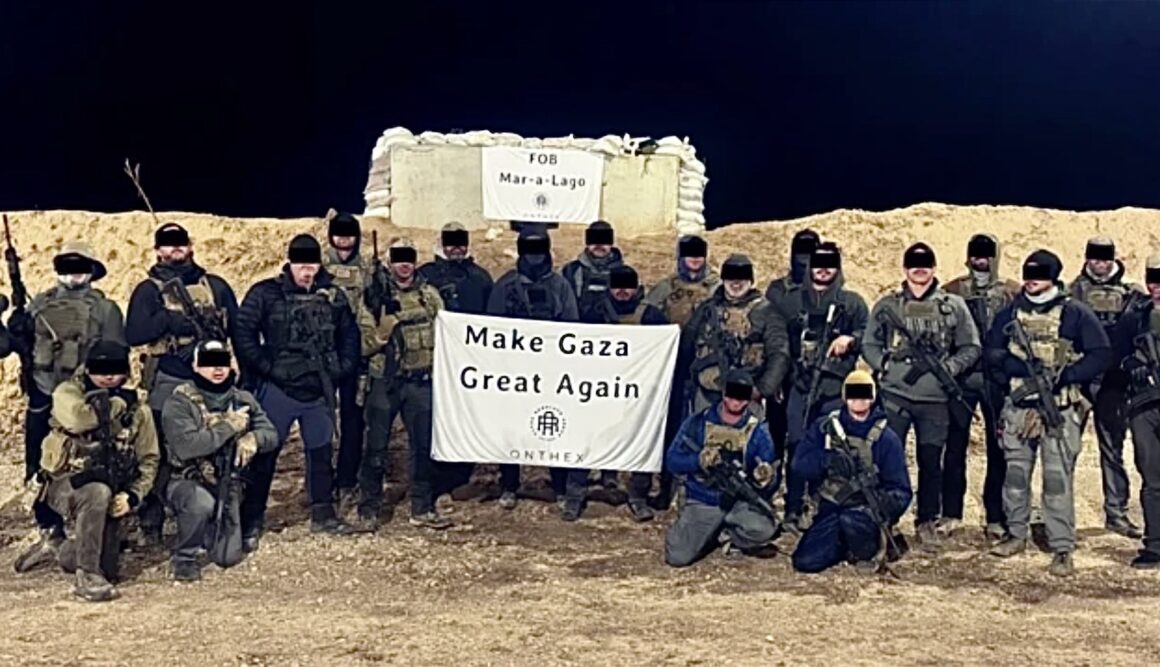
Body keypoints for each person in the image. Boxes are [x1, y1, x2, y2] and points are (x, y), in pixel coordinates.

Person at [985, 249, 1111, 576]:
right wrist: (1013, 368)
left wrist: (1067, 376)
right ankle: (1016, 534)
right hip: (1019, 409)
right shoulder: (1010, 313)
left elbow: (1100, 354)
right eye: (1028, 274)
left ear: (1053, 277)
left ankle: (1062, 546)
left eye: (1039, 275)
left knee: (1057, 480)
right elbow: (992, 352)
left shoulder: (1074, 313)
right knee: (1015, 475)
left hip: (1059, 409)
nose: (1031, 281)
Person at [233, 234, 362, 548]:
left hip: (317, 389)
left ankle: (324, 514)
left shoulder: (333, 296)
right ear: (289, 263)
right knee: (265, 455)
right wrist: (267, 368)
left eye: (312, 265)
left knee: (321, 452)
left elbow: (350, 335)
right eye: (301, 265)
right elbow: (243, 332)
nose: (307, 272)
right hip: (279, 389)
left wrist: (341, 368)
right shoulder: (266, 293)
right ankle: (252, 520)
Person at [12, 241, 126, 574]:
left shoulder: (105, 309)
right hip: (43, 395)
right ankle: (50, 531)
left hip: (84, 399)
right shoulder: (39, 303)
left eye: (80, 266)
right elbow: (24, 348)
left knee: (94, 463)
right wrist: (18, 329)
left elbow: (115, 355)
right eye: (67, 265)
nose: (74, 273)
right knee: (41, 466)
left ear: (91, 270)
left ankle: (97, 535)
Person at [125, 221, 238, 544]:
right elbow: (134, 334)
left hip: (212, 382)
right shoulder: (149, 290)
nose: (175, 248)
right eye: (168, 243)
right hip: (168, 379)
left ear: (190, 246)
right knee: (159, 450)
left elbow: (237, 329)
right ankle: (152, 521)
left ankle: (211, 515)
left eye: (181, 242)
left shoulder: (214, 285)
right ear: (157, 250)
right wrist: (168, 320)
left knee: (215, 444)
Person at [863, 242, 980, 553]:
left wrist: (950, 368)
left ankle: (927, 519)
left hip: (935, 400)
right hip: (895, 396)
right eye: (914, 265)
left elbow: (971, 346)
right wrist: (884, 365)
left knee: (931, 461)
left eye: (925, 264)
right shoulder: (888, 306)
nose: (919, 270)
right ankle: (887, 518)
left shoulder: (953, 306)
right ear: (905, 269)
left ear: (933, 268)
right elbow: (870, 343)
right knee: (889, 459)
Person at [36, 341, 158, 601]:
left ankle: (60, 549)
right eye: (101, 370)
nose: (109, 376)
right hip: (65, 484)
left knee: (109, 568)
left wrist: (132, 496)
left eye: (115, 370)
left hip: (111, 487)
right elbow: (80, 420)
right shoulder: (68, 392)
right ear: (88, 368)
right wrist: (117, 403)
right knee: (97, 493)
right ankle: (87, 576)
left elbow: (149, 459)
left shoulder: (139, 409)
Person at [769, 242, 868, 534]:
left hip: (833, 389)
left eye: (830, 263)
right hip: (799, 387)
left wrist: (850, 339)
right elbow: (777, 342)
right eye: (818, 263)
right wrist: (777, 378)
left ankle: (822, 506)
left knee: (831, 449)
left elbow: (871, 333)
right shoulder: (791, 302)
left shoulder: (852, 302)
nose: (823, 269)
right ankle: (792, 508)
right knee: (797, 445)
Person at [355, 238, 453, 531]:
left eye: (409, 257)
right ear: (389, 263)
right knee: (375, 448)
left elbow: (447, 335)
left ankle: (422, 508)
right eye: (398, 258)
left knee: (423, 447)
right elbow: (362, 345)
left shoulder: (429, 296)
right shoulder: (373, 298)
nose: (404, 264)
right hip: (385, 382)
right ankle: (369, 510)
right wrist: (381, 335)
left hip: (420, 382)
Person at [161, 340, 279, 581]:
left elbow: (272, 435)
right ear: (195, 366)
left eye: (222, 363)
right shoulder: (179, 402)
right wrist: (228, 427)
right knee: (201, 504)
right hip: (185, 479)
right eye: (208, 363)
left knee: (228, 556)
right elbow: (188, 447)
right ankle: (185, 557)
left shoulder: (242, 398)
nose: (217, 369)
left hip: (226, 480)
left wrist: (254, 438)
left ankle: (208, 530)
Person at [486, 224, 580, 515]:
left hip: (552, 371)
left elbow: (571, 326)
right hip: (514, 372)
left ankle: (560, 486)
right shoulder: (506, 285)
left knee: (555, 427)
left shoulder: (560, 285)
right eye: (529, 248)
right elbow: (492, 328)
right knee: (511, 428)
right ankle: (509, 485)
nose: (535, 256)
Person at [791, 370, 912, 574]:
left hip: (864, 514)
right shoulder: (824, 427)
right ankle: (843, 546)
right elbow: (799, 465)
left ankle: (870, 547)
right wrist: (826, 460)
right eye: (853, 393)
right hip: (831, 507)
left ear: (872, 397)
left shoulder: (886, 438)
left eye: (864, 394)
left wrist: (881, 503)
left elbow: (902, 491)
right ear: (844, 396)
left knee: (853, 521)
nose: (859, 400)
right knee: (805, 561)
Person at [942, 233, 1020, 539]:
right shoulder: (952, 290)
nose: (980, 260)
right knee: (954, 447)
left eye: (986, 254)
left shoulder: (1011, 291)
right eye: (975, 254)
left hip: (997, 380)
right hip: (962, 380)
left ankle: (995, 516)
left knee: (998, 448)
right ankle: (951, 513)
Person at [1068, 236, 1145, 538]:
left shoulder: (1132, 295)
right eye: (1095, 258)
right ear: (1087, 259)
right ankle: (1062, 517)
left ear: (1113, 260)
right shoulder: (1072, 292)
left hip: (1113, 381)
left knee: (1112, 449)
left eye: (1104, 259)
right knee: (1066, 448)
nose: (1099, 264)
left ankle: (1116, 513)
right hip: (1080, 379)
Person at [580, 265, 669, 521]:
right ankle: (577, 493)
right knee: (587, 438)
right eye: (617, 286)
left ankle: (638, 495)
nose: (622, 291)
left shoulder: (651, 316)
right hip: (600, 390)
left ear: (637, 288)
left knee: (642, 441)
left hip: (639, 393)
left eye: (627, 286)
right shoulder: (595, 313)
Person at [664, 369, 778, 567]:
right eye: (732, 394)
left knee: (765, 529)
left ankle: (726, 536)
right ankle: (705, 531)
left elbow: (766, 467)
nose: (736, 401)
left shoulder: (758, 429)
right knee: (677, 557)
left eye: (742, 396)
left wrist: (765, 476)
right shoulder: (697, 422)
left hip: (738, 501)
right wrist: (698, 460)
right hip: (704, 499)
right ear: (724, 393)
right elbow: (672, 461)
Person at [416, 221, 494, 497]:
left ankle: (461, 477)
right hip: (433, 361)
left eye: (461, 242)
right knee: (432, 419)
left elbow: (492, 319)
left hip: (469, 363)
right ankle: (432, 480)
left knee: (464, 417)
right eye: (451, 242)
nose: (456, 248)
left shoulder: (480, 278)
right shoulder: (425, 275)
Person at [644, 234, 720, 508]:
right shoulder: (666, 288)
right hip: (672, 368)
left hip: (708, 370)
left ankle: (699, 488)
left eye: (699, 255)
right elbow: (646, 318)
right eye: (690, 255)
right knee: (671, 426)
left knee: (703, 426)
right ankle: (666, 486)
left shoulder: (716, 288)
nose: (695, 260)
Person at [681, 254, 789, 417]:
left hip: (746, 401)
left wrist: (762, 390)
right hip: (706, 397)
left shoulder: (766, 312)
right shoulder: (706, 310)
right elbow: (686, 346)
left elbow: (780, 354)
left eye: (742, 278)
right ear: (723, 280)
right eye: (731, 277)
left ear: (751, 281)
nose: (736, 283)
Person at [320, 211, 375, 515]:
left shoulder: (367, 267)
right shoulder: (318, 265)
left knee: (353, 422)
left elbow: (375, 305)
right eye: (339, 234)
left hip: (357, 355)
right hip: (325, 354)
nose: (344, 241)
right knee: (322, 421)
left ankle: (346, 481)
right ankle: (321, 483)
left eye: (349, 235)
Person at [1110, 254, 1160, 568]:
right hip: (1144, 405)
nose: (1158, 287)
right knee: (1152, 479)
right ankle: (1155, 544)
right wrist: (1131, 365)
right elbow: (1115, 354)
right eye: (1153, 279)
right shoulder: (1134, 317)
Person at [765, 229, 821, 491]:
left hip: (814, 376)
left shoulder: (828, 292)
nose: (804, 262)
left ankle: (803, 494)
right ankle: (771, 486)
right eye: (800, 255)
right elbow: (770, 338)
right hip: (783, 374)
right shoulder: (777, 291)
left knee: (810, 436)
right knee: (776, 434)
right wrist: (773, 377)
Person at [561, 220, 625, 318]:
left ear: (611, 243)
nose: (599, 245)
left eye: (604, 240)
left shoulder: (624, 273)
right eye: (594, 239)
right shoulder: (570, 271)